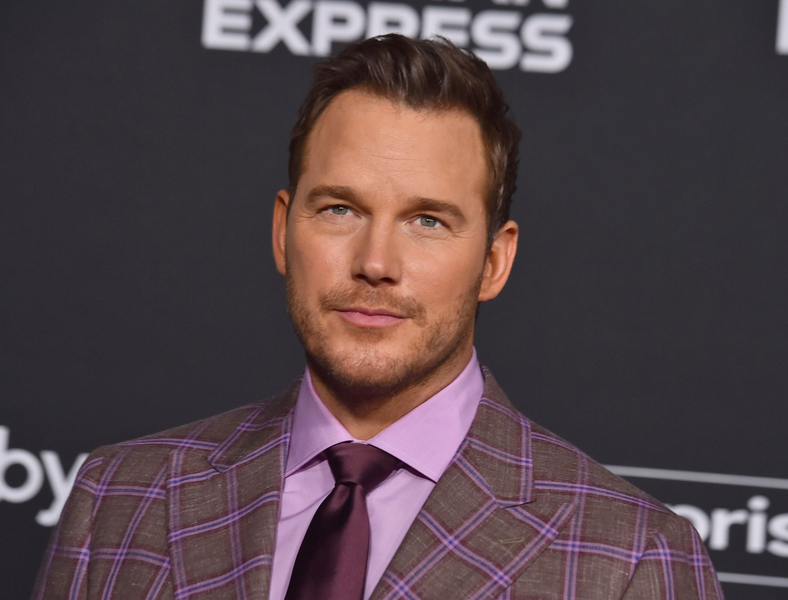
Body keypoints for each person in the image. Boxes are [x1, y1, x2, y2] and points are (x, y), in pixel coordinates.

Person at [32, 34, 722, 600]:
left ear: (493, 262)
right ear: (283, 231)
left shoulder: (631, 560)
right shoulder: (119, 501)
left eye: (428, 221)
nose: (375, 262)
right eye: (340, 209)